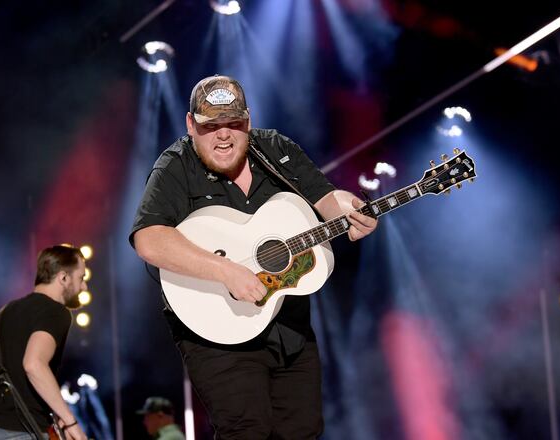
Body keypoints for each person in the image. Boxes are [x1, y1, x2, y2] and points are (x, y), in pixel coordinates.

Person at [129, 74, 378, 439]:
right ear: (190, 125)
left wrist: (350, 209)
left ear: (247, 121)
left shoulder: (276, 149)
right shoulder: (176, 165)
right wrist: (225, 271)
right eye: (210, 126)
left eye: (233, 123)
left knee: (303, 431)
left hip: (288, 324)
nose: (223, 135)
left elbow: (326, 198)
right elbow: (149, 239)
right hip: (215, 330)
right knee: (246, 430)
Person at [0, 245, 88, 440]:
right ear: (63, 278)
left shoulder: (4, 311)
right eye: (81, 278)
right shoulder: (57, 312)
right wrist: (70, 421)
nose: (84, 287)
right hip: (18, 433)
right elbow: (33, 364)